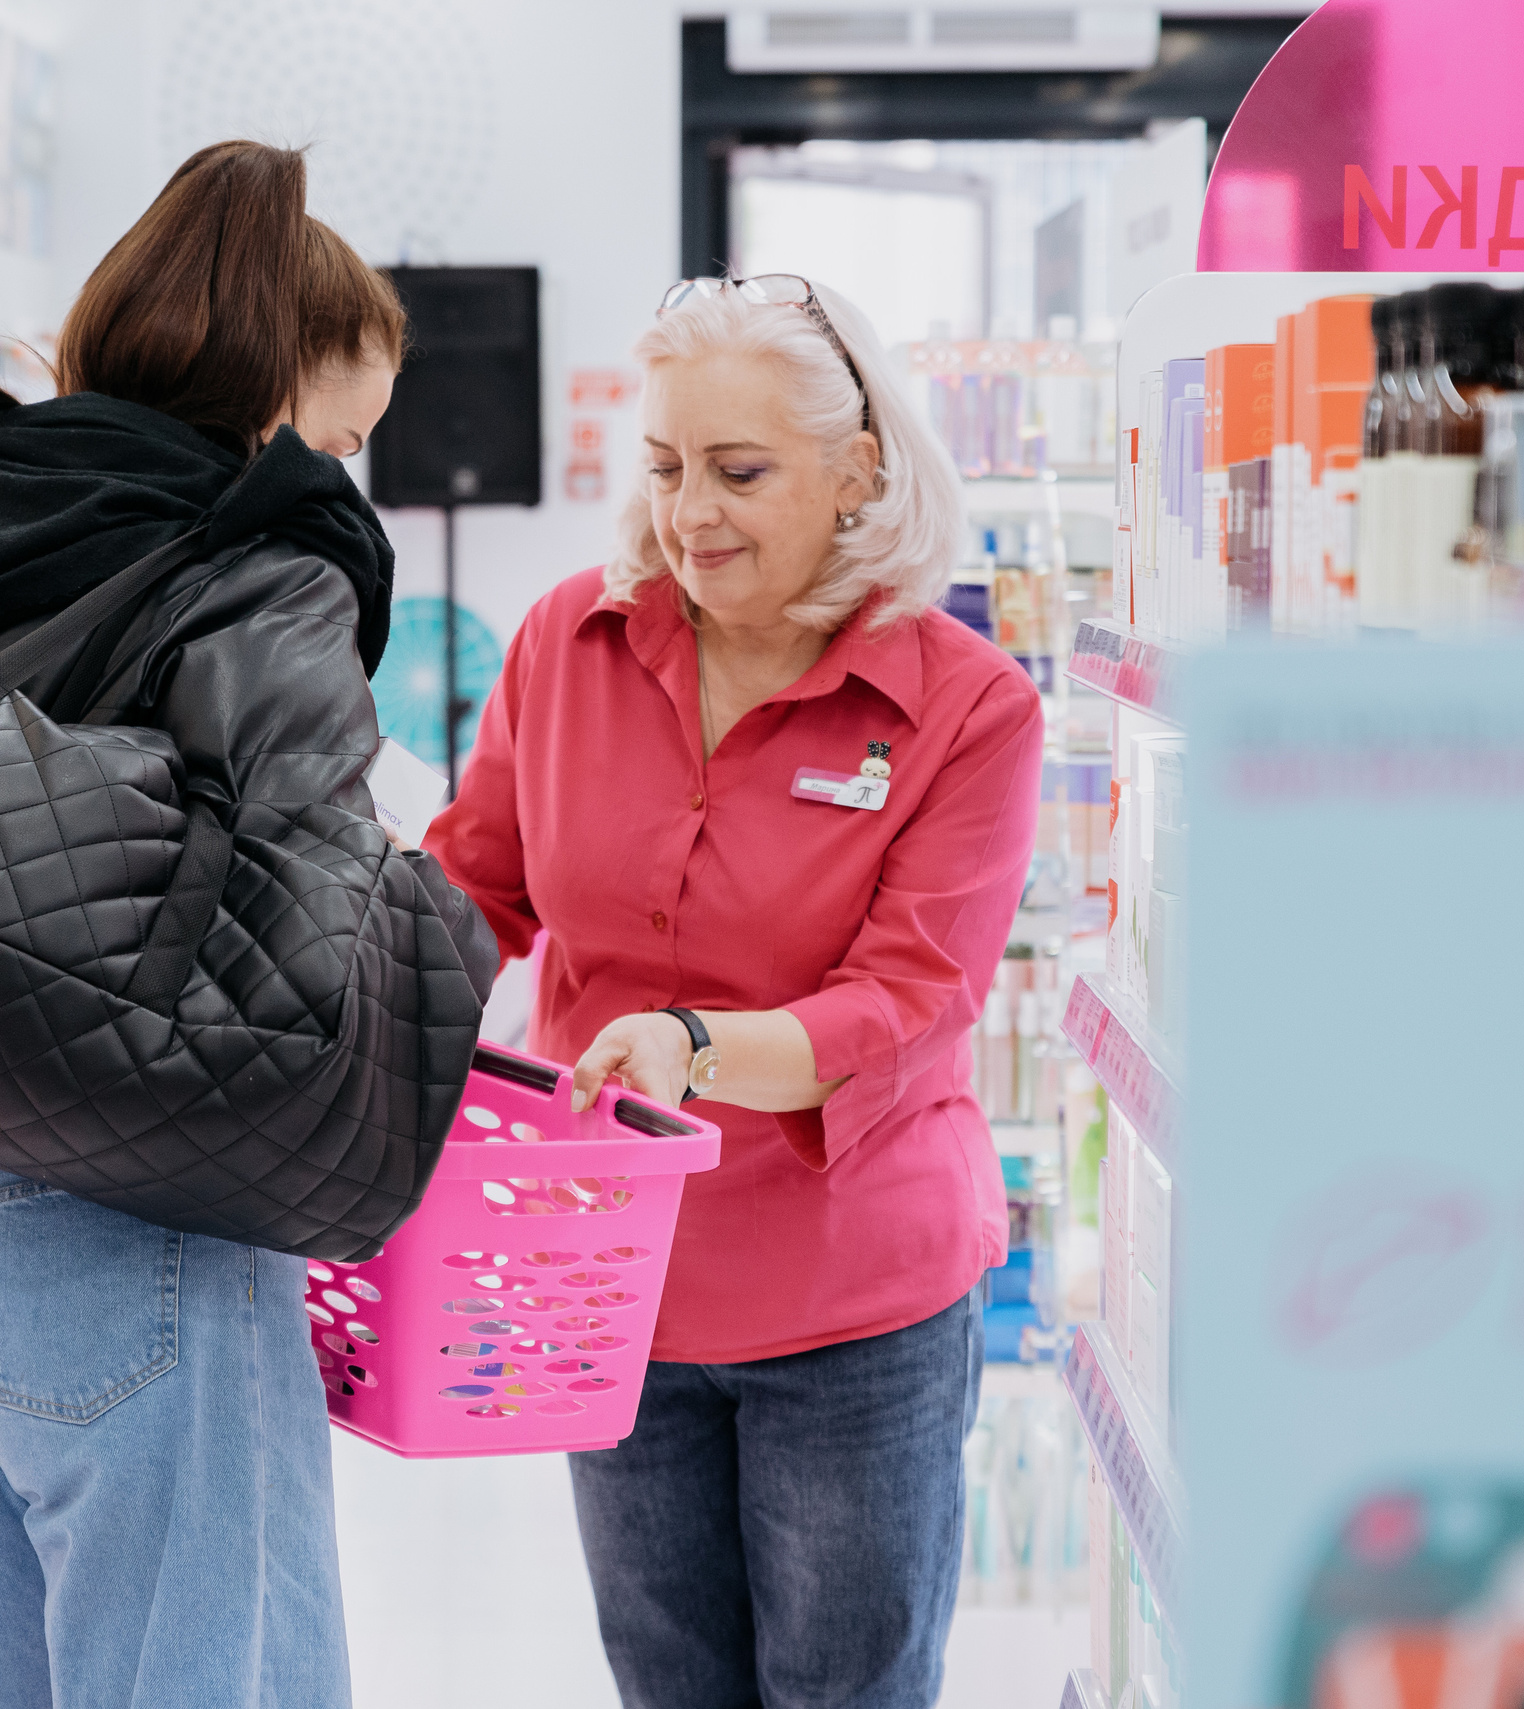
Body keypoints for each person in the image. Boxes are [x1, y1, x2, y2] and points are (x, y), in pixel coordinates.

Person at [0, 141, 494, 1709]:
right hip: (132, 1252)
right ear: (275, 403)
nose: (347, 481)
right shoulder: (266, 564)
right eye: (344, 438)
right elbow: (288, 979)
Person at [424, 274, 1043, 1709]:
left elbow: (911, 1000)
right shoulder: (571, 642)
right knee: (667, 1680)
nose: (689, 511)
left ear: (858, 474)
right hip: (615, 1283)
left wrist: (693, 1047)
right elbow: (475, 886)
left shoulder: (966, 708)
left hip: (854, 1303)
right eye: (666, 467)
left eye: (739, 471)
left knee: (846, 1687)